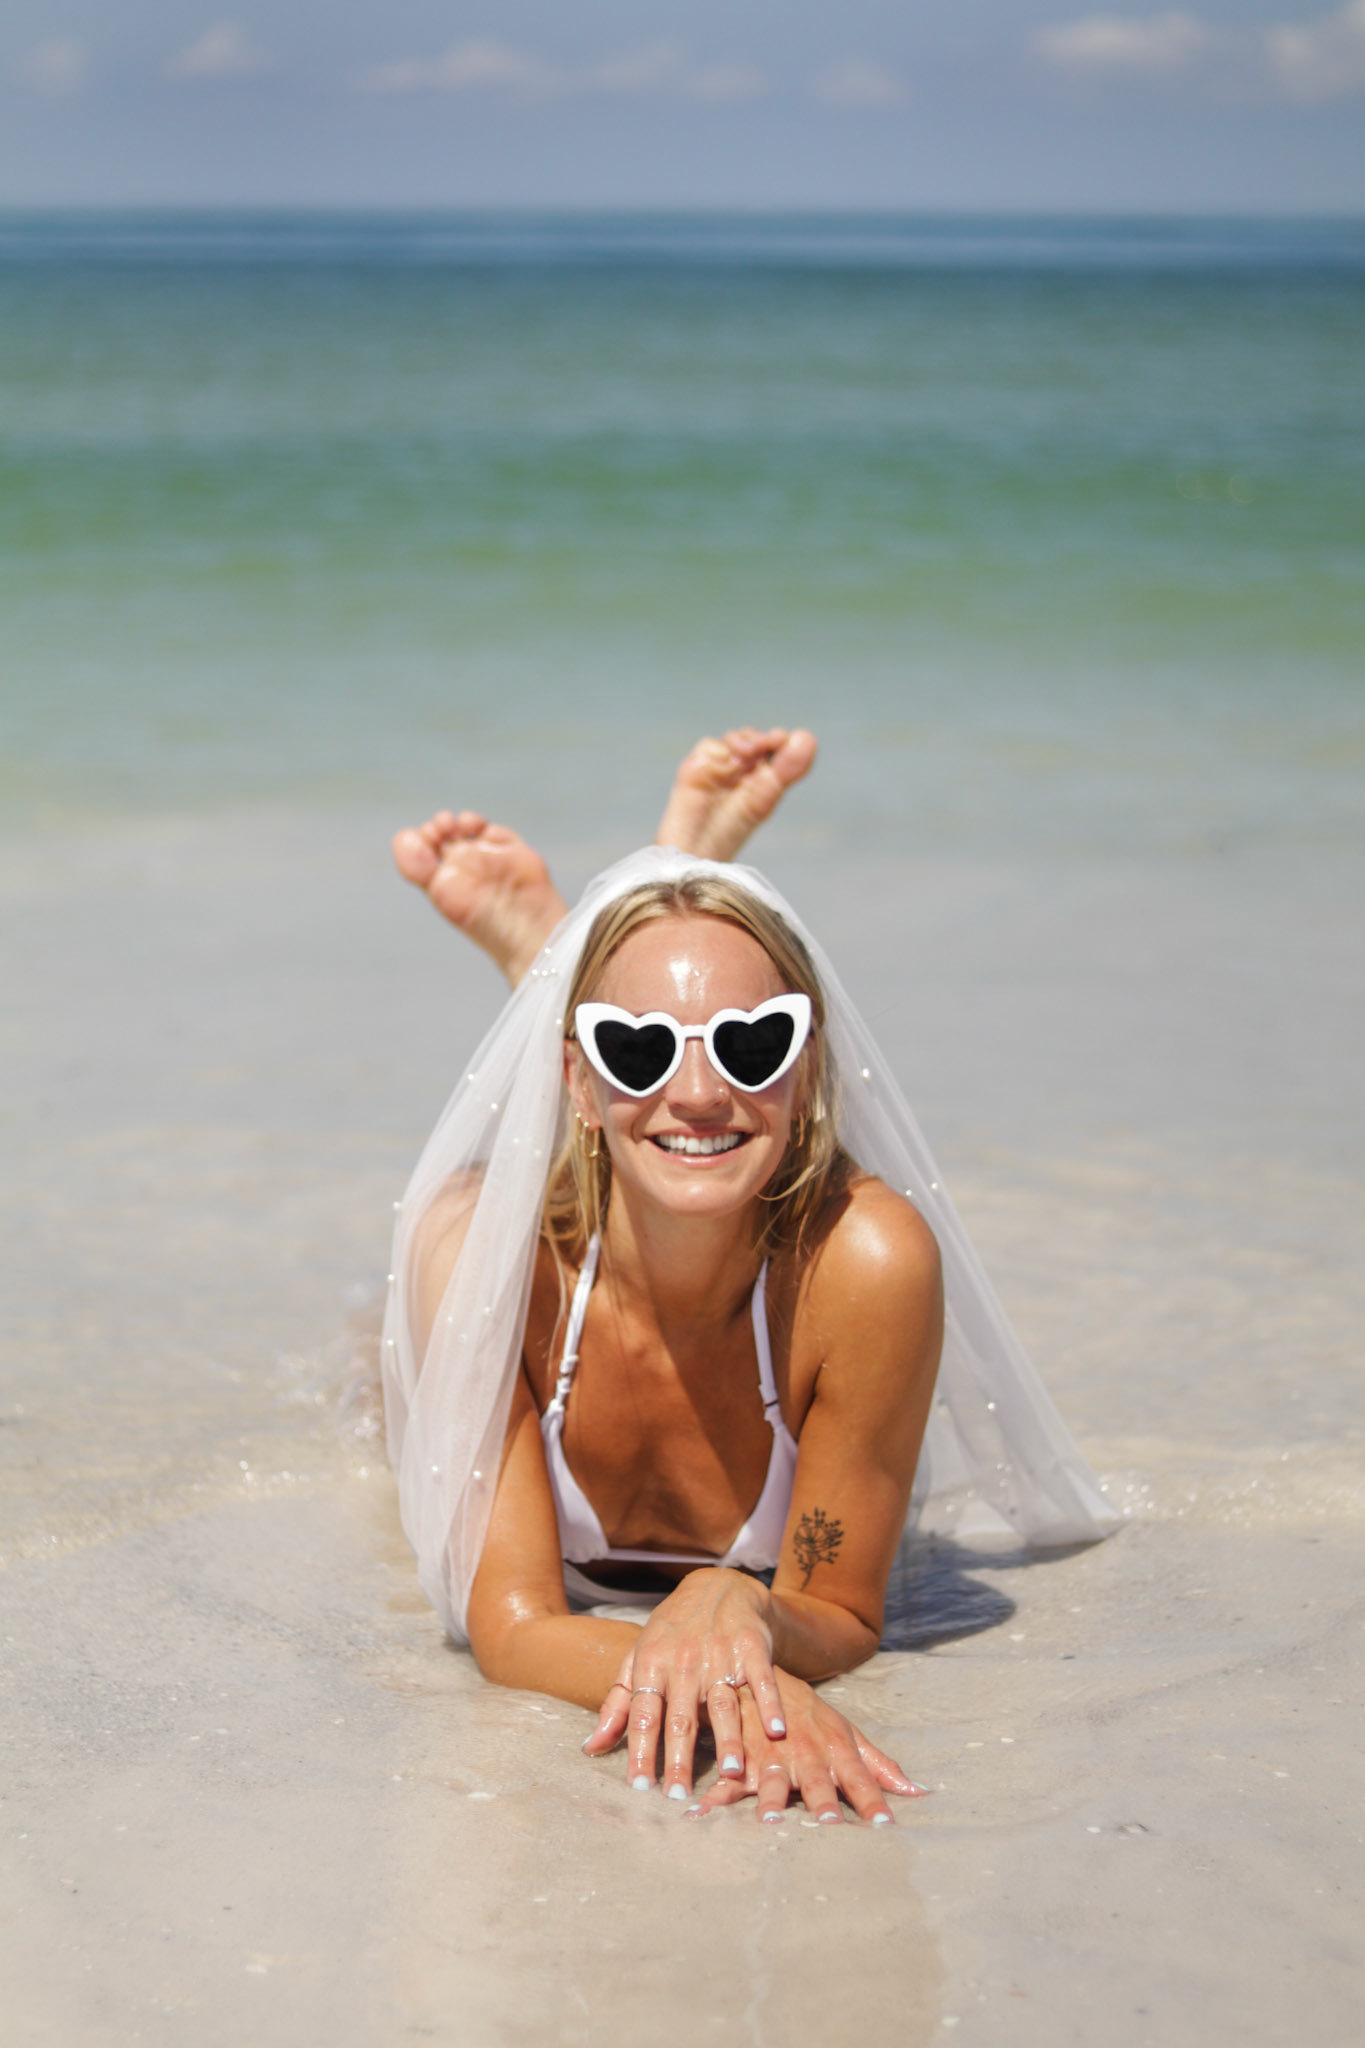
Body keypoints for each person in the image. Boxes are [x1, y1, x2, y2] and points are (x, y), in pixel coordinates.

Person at [382, 729, 1115, 1824]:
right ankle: (578, 956)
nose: (698, 1090)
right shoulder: (496, 1258)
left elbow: (841, 1609)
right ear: (575, 1086)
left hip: (677, 1207)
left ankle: (629, 952)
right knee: (377, 1405)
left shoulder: (863, 1263)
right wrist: (753, 1692)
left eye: (750, 1042)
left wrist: (743, 1604)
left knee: (678, 1110)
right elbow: (511, 1626)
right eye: (640, 1049)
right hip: (544, 1238)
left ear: (807, 1068)